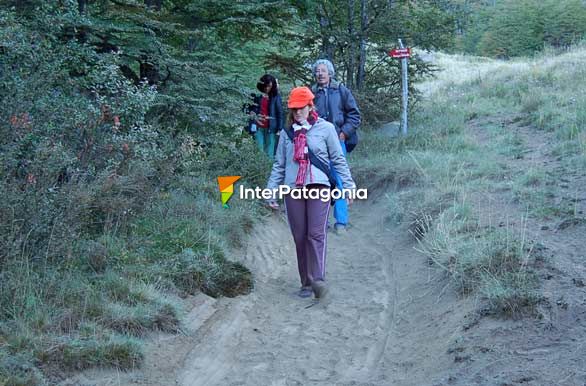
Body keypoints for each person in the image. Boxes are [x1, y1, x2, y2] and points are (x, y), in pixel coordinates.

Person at [266, 86, 356, 299]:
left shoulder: (326, 129)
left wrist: (350, 186)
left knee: (315, 234)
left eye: (301, 107)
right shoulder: (287, 134)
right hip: (292, 189)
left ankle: (318, 280)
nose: (297, 112)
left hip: (319, 186)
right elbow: (279, 165)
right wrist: (271, 192)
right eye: (294, 109)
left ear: (310, 106)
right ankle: (305, 283)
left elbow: (338, 159)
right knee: (300, 236)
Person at [311, 59, 361, 233]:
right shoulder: (312, 93)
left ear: (330, 72)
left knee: (339, 180)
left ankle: (341, 222)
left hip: (338, 141)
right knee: (320, 181)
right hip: (318, 145)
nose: (320, 74)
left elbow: (355, 115)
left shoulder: (341, 90)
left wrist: (344, 132)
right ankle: (321, 220)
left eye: (323, 70)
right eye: (317, 71)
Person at [251, 74, 284, 159]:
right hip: (258, 127)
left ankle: (269, 170)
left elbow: (280, 112)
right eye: (265, 86)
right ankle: (258, 171)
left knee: (269, 152)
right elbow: (251, 108)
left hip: (271, 127)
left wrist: (280, 128)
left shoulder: (276, 97)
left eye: (269, 86)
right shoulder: (256, 95)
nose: (266, 88)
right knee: (258, 150)